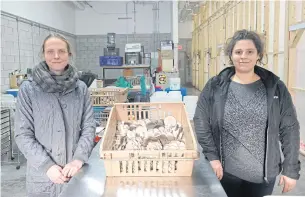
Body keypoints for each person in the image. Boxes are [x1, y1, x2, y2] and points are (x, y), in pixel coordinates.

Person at [193, 29, 301, 197]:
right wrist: (213, 157)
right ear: (231, 55)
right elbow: (201, 121)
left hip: (263, 178)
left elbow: (290, 128)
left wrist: (291, 170)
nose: (244, 56)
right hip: (224, 173)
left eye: (250, 51)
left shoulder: (275, 87)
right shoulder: (215, 86)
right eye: (238, 52)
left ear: (258, 55)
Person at [14, 33, 96, 197]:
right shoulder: (29, 89)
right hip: (42, 177)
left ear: (69, 54)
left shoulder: (80, 88)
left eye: (61, 51)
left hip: (74, 172)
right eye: (50, 51)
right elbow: (23, 134)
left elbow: (89, 126)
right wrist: (47, 166)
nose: (56, 56)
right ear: (43, 54)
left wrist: (78, 159)